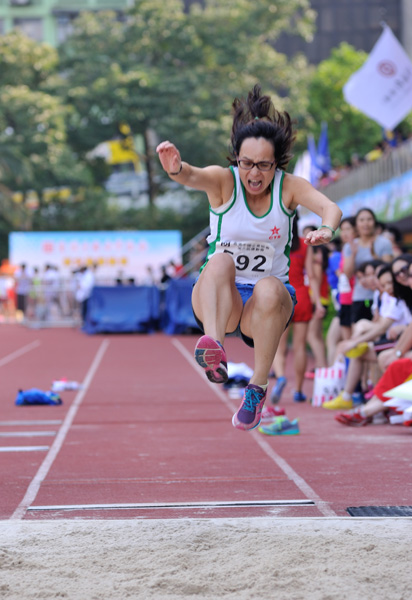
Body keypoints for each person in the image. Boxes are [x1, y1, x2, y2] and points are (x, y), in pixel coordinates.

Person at [156, 84, 342, 431]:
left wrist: (327, 229)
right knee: (220, 261)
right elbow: (192, 175)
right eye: (246, 164)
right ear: (236, 159)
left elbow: (330, 207)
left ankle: (257, 388)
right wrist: (176, 168)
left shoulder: (289, 187)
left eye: (263, 165)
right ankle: (215, 348)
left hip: (264, 308)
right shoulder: (224, 182)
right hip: (220, 299)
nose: (254, 174)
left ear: (277, 163)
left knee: (270, 286)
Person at [270, 215, 322, 405]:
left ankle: (281, 377)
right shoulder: (304, 245)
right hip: (301, 296)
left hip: (279, 295)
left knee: (278, 345)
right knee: (300, 346)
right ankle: (298, 390)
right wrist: (319, 302)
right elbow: (312, 276)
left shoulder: (273, 242)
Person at [342, 208, 393, 325]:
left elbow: (388, 270)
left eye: (369, 219)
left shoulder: (384, 243)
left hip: (382, 296)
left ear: (374, 222)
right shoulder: (350, 246)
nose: (366, 223)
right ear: (356, 224)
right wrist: (353, 254)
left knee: (380, 332)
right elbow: (347, 274)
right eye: (362, 220)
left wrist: (375, 257)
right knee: (359, 331)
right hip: (360, 297)